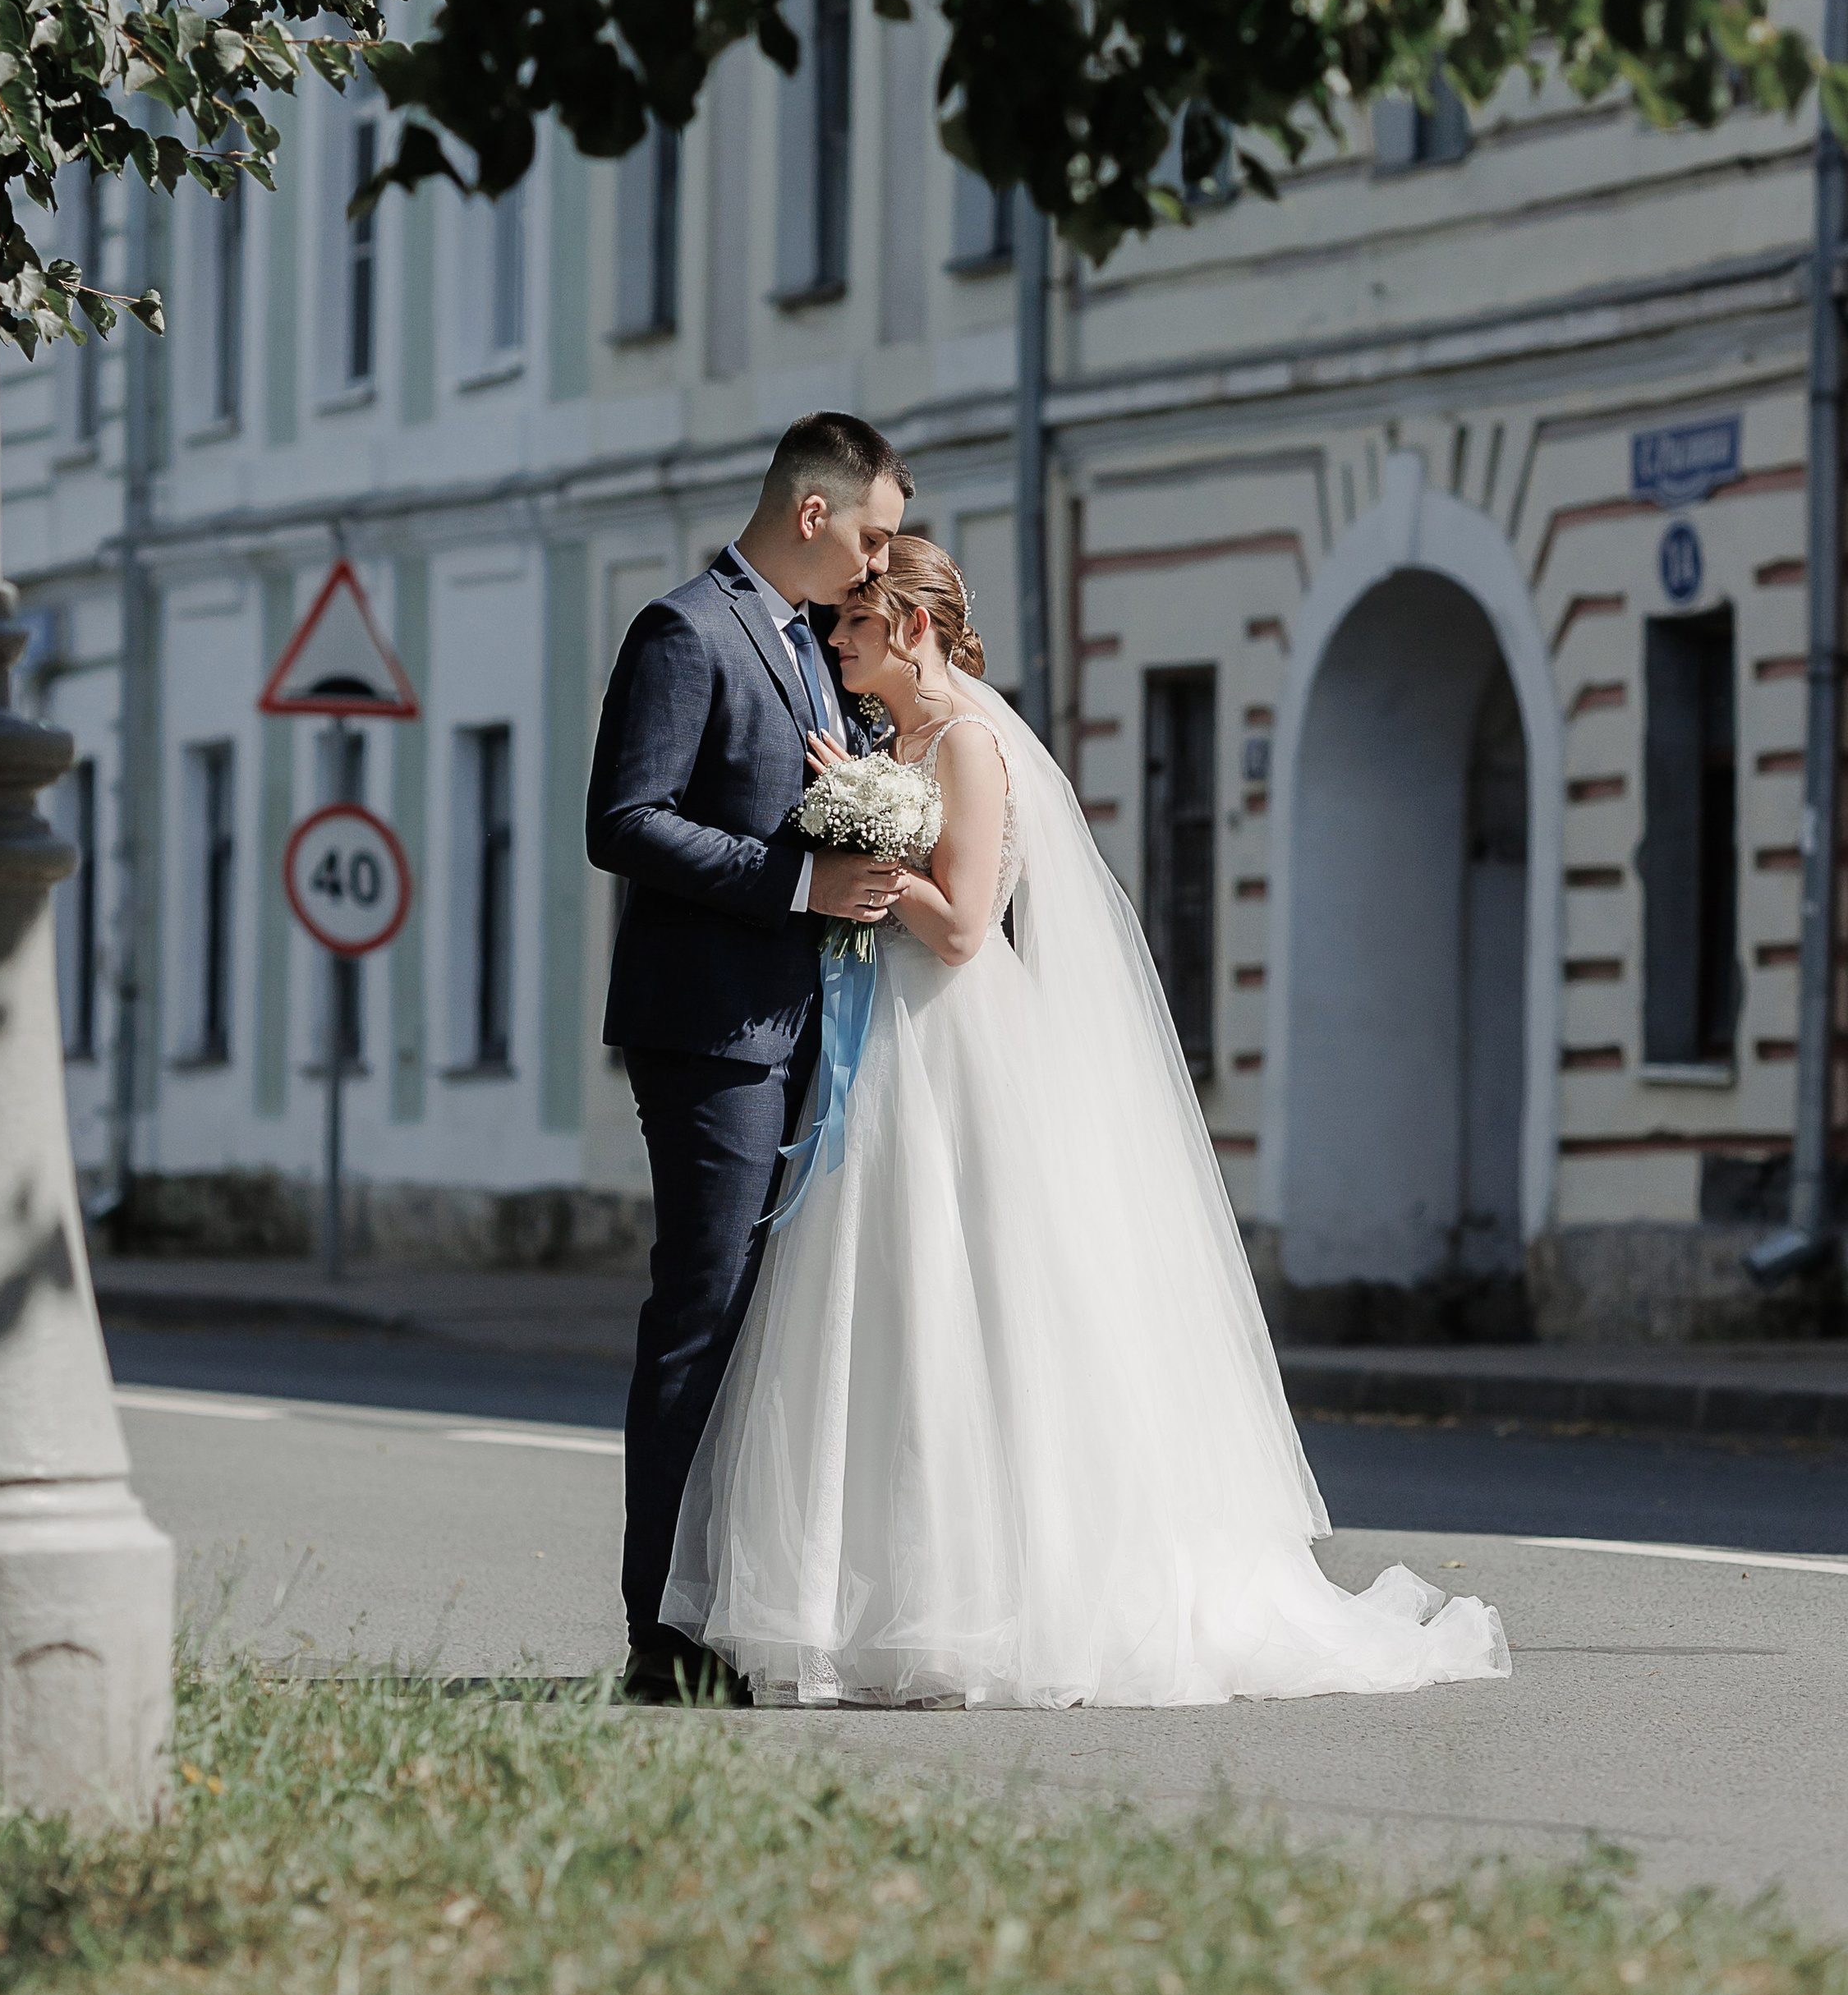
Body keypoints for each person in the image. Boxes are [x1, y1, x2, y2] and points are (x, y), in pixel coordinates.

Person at [663, 533, 1512, 1709]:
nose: (835, 638)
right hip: (885, 1032)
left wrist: (870, 848)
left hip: (952, 1039)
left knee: (968, 1309)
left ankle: (993, 1605)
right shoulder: (885, 740)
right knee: (885, 1313)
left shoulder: (967, 743)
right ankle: (875, 1610)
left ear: (910, 627)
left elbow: (966, 928)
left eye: (854, 622)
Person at [586, 411, 913, 1702]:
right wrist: (798, 885)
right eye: (871, 537)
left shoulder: (812, 645)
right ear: (813, 512)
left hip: (814, 1030)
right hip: (711, 1035)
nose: (879, 566)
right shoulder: (686, 632)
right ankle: (659, 1633)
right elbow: (626, 821)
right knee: (705, 1310)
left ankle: (741, 1606)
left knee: (782, 1329)